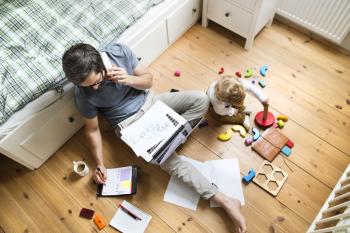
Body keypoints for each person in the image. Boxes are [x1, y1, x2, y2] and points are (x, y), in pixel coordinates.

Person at [62, 43, 247, 233]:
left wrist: (128, 79)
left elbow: (149, 80)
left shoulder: (117, 52)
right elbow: (92, 130)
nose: (95, 88)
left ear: (101, 63)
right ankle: (222, 198)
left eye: (97, 82)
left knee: (201, 100)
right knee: (167, 159)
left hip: (152, 102)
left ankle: (169, 139)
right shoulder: (83, 94)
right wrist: (100, 163)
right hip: (130, 125)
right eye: (88, 86)